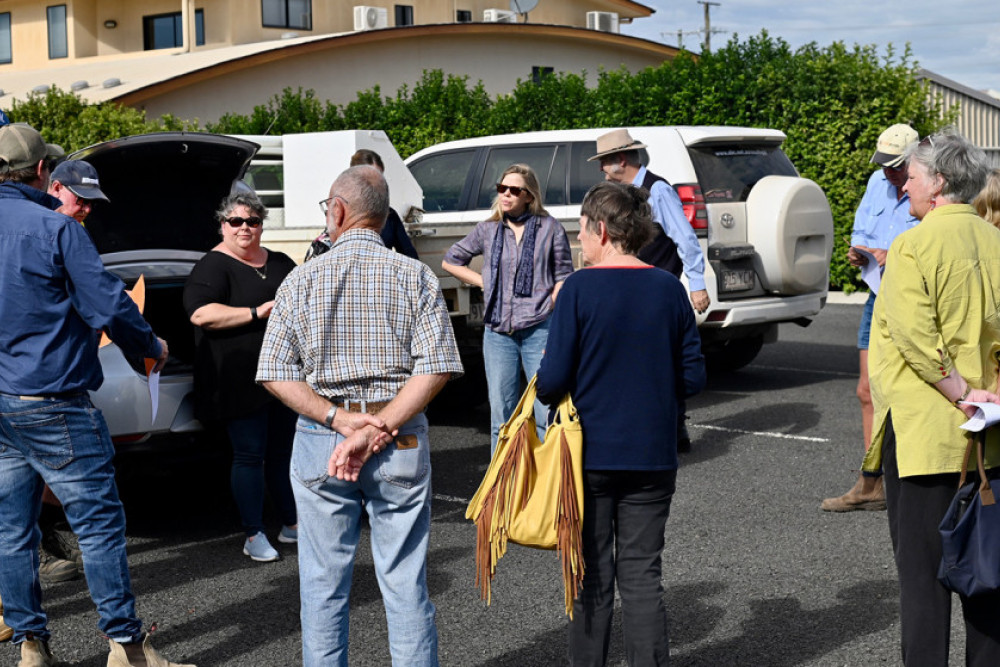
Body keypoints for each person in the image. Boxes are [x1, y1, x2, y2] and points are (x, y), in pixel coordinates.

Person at [0, 123, 193, 666]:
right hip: (54, 401)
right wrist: (151, 343)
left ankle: (31, 649)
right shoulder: (55, 230)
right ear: (42, 172)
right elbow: (110, 306)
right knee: (100, 527)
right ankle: (127, 650)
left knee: (13, 532)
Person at [257, 165, 463, 666]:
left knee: (323, 585)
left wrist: (338, 421)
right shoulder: (413, 274)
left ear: (339, 210)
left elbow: (273, 373)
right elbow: (436, 369)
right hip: (399, 440)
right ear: (384, 215)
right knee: (404, 581)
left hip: (320, 440)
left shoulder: (299, 280)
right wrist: (380, 425)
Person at [535, 181, 706, 665]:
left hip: (588, 453)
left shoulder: (578, 289)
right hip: (652, 453)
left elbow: (550, 382)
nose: (578, 241)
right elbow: (693, 376)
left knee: (591, 574)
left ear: (602, 229)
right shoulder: (668, 288)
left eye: (581, 231)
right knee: (643, 574)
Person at [862, 131, 1000, 664]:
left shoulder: (913, 244)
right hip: (990, 435)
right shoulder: (994, 239)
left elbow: (916, 338)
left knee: (923, 582)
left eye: (913, 177)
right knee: (988, 573)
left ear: (938, 182)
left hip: (925, 435)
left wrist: (962, 392)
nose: (907, 187)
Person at [183, 191, 299, 562]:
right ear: (223, 225)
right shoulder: (212, 266)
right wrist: (256, 312)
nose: (245, 228)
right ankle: (253, 533)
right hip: (236, 377)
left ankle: (292, 523)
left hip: (283, 373)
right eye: (236, 221)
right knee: (249, 455)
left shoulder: (280, 261)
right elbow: (200, 314)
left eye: (253, 221)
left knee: (283, 453)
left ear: (263, 225)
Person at [590, 128, 708, 453]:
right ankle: (664, 430)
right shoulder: (625, 193)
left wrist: (697, 285)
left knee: (663, 360)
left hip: (657, 288)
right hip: (632, 289)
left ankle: (673, 431)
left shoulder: (658, 190)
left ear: (621, 160)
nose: (601, 169)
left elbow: (685, 239)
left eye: (604, 162)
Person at [441, 163, 573, 453]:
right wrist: (483, 282)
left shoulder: (550, 228)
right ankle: (502, 484)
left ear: (529, 195)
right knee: (501, 414)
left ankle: (546, 479)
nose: (507, 194)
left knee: (546, 410)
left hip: (539, 329)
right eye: (503, 188)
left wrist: (549, 305)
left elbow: (564, 276)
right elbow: (451, 260)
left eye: (515, 190)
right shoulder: (487, 230)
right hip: (498, 332)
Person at [822, 123, 920, 512]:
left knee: (916, 390)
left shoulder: (931, 186)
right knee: (866, 391)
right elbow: (861, 229)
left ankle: (917, 482)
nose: (888, 173)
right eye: (884, 164)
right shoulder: (875, 183)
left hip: (913, 300)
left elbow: (931, 238)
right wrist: (860, 250)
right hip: (878, 297)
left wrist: (889, 253)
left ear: (915, 160)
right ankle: (871, 482)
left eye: (896, 166)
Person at [303, 148, 418, 261]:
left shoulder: (390, 215)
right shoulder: (323, 245)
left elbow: (409, 254)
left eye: (380, 178)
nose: (376, 185)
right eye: (369, 179)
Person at [48, 159, 110, 224]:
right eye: (81, 199)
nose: (87, 210)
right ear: (57, 188)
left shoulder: (78, 227)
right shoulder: (37, 225)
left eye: (93, 202)